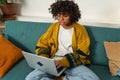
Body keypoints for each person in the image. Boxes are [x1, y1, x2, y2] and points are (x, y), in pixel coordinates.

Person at [25, 0, 100, 80]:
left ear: (72, 15)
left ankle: (62, 78)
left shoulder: (80, 29)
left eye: (65, 16)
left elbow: (83, 52)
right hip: (53, 62)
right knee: (30, 78)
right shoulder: (53, 27)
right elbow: (42, 44)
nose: (61, 19)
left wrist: (63, 62)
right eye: (59, 15)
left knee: (93, 78)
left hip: (72, 63)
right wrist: (45, 60)